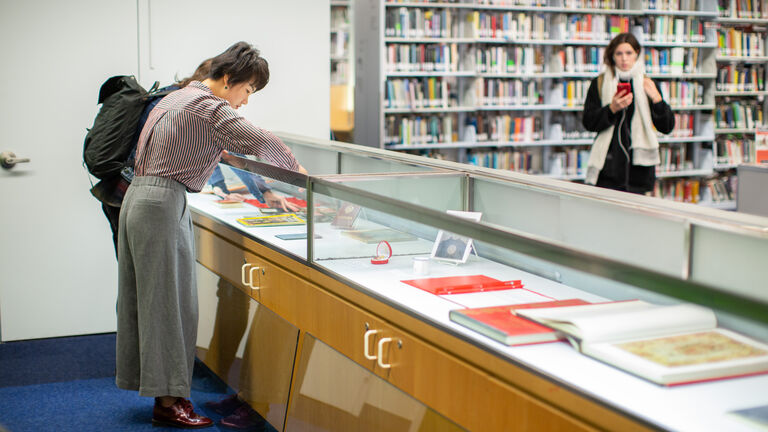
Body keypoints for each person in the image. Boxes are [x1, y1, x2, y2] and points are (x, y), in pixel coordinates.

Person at [116, 41, 307, 429]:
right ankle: (170, 404)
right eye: (248, 90)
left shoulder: (179, 97)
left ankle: (164, 394)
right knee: (171, 305)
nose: (246, 101)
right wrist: (303, 179)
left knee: (152, 301)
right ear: (226, 80)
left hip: (143, 197)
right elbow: (261, 141)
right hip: (161, 203)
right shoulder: (208, 104)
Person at [92, 59, 213, 256]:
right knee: (145, 270)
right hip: (132, 193)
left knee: (131, 268)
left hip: (116, 189)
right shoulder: (181, 104)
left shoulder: (167, 92)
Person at [582, 32, 675, 195]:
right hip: (608, 171)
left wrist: (657, 99)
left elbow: (667, 127)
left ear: (637, 54)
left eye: (629, 53)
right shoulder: (599, 83)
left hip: (639, 172)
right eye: (619, 53)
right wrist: (611, 109)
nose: (624, 59)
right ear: (612, 56)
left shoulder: (648, 83)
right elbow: (588, 123)